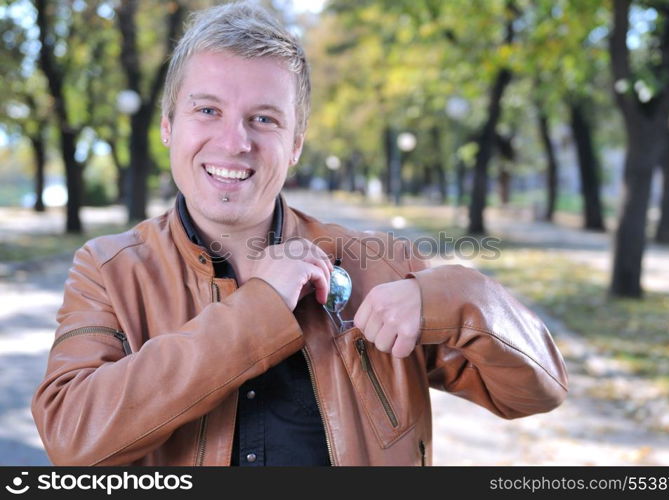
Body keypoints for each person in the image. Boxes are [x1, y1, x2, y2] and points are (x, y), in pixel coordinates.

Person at [31, 1, 568, 466]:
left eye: (264, 119)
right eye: (207, 110)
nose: (234, 141)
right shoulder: (109, 269)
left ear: (295, 145)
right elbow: (73, 437)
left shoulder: (377, 264)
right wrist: (262, 305)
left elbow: (532, 393)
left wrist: (458, 297)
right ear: (169, 125)